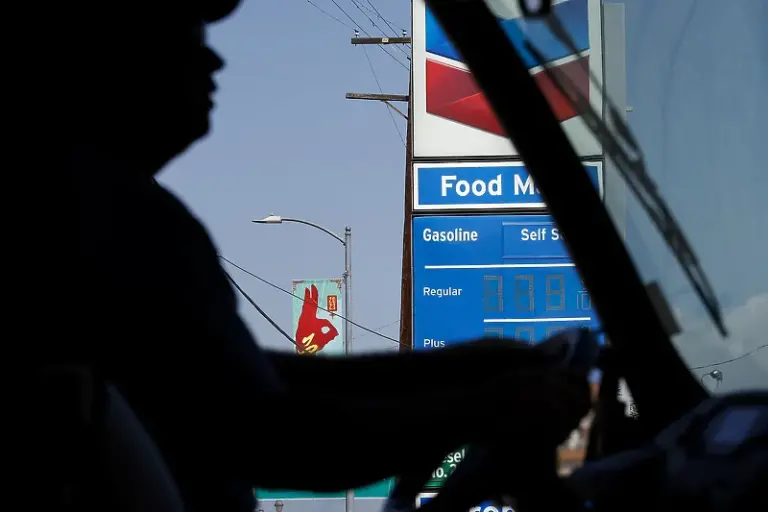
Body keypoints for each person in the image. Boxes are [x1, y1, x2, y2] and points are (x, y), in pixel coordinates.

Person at [73, 1, 593, 511]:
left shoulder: (106, 210)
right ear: (105, 57)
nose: (215, 61)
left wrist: (458, 369)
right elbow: (277, 435)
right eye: (181, 37)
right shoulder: (108, 218)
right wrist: (484, 406)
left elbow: (253, 380)